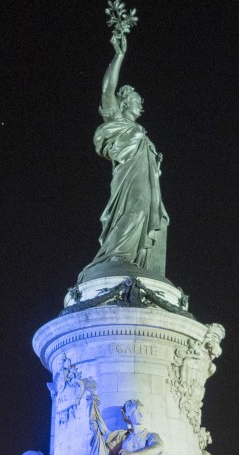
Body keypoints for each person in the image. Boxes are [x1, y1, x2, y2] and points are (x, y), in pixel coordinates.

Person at [81, 31, 170, 280]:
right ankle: (117, 256)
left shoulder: (142, 133)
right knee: (136, 211)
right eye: (136, 100)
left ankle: (135, 260)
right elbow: (107, 90)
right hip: (128, 181)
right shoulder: (117, 120)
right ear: (124, 103)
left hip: (146, 182)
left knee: (150, 216)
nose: (141, 105)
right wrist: (118, 55)